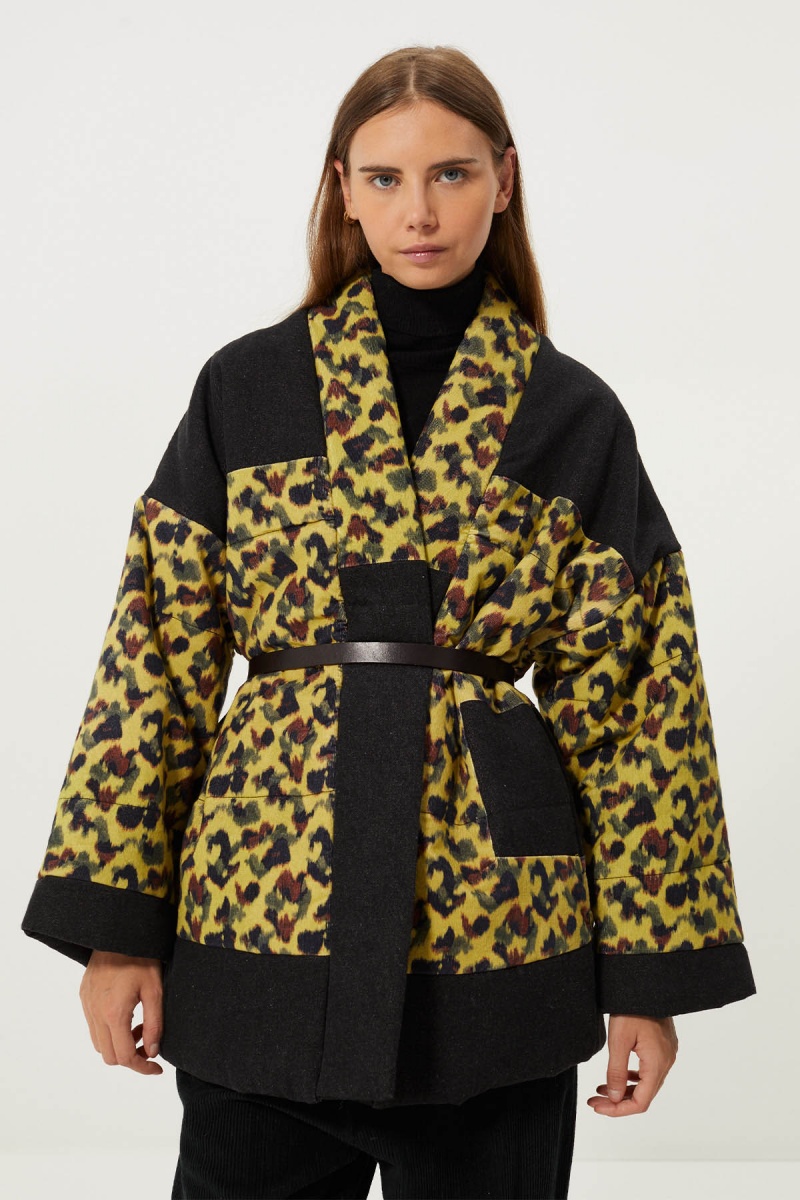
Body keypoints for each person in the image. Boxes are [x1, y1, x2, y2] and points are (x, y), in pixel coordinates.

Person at [21, 43, 756, 1200]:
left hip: (496, 931)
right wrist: (118, 933)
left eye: (451, 174)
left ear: (503, 180)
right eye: (384, 178)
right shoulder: (246, 388)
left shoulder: (569, 414)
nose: (418, 212)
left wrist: (646, 982)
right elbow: (152, 664)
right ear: (342, 189)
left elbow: (635, 709)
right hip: (264, 906)